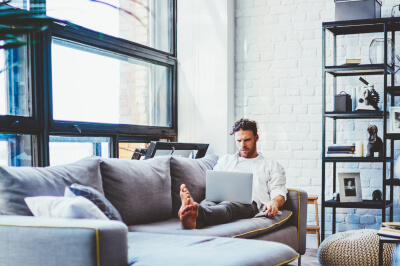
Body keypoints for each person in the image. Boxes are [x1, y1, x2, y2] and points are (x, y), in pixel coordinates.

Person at [179, 118, 287, 229]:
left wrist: (274, 203)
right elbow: (214, 183)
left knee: (228, 207)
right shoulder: (226, 160)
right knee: (208, 203)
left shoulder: (271, 165)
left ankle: (193, 211)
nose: (242, 145)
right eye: (239, 141)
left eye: (247, 140)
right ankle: (192, 219)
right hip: (219, 198)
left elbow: (279, 191)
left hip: (249, 204)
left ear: (256, 138)